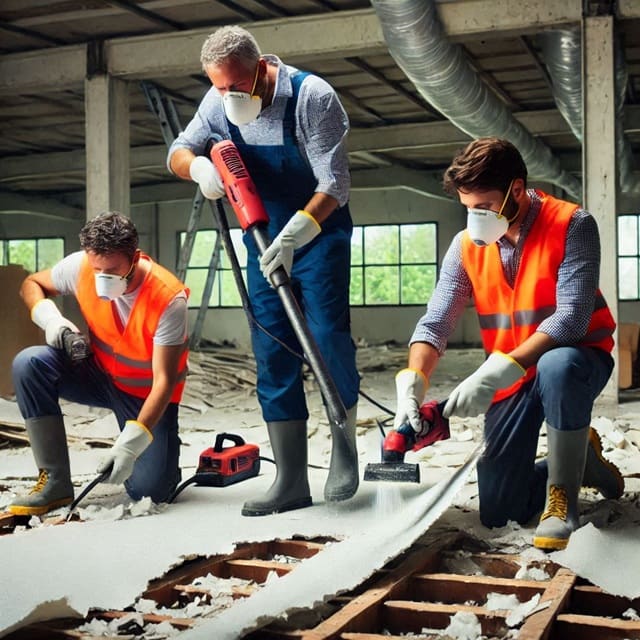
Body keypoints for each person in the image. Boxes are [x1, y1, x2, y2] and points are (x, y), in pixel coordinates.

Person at [394, 137, 624, 551]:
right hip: (512, 375)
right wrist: (414, 379)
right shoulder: (465, 246)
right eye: (468, 208)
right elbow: (437, 321)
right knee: (500, 509)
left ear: (517, 189)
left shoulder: (574, 224)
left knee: (558, 367)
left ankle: (563, 500)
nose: (475, 217)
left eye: (484, 206)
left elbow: (571, 318)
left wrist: (498, 369)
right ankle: (578, 461)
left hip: (576, 359)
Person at [167, 25, 359, 516]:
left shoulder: (312, 97)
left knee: (326, 336)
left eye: (236, 85)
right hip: (262, 237)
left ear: (261, 67)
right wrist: (197, 168)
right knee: (271, 347)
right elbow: (178, 150)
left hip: (317, 232)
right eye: (218, 87)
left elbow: (334, 184)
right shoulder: (216, 100)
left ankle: (344, 447)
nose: (227, 96)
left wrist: (297, 234)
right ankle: (291, 478)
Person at [8, 212, 189, 516]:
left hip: (144, 395)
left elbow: (164, 382)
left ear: (135, 257)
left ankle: (166, 457)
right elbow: (31, 284)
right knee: (29, 363)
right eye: (97, 269)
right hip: (97, 374)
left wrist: (130, 445)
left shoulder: (168, 298)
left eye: (113, 269)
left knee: (151, 490)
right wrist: (51, 320)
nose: (102, 277)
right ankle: (55, 482)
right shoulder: (80, 266)